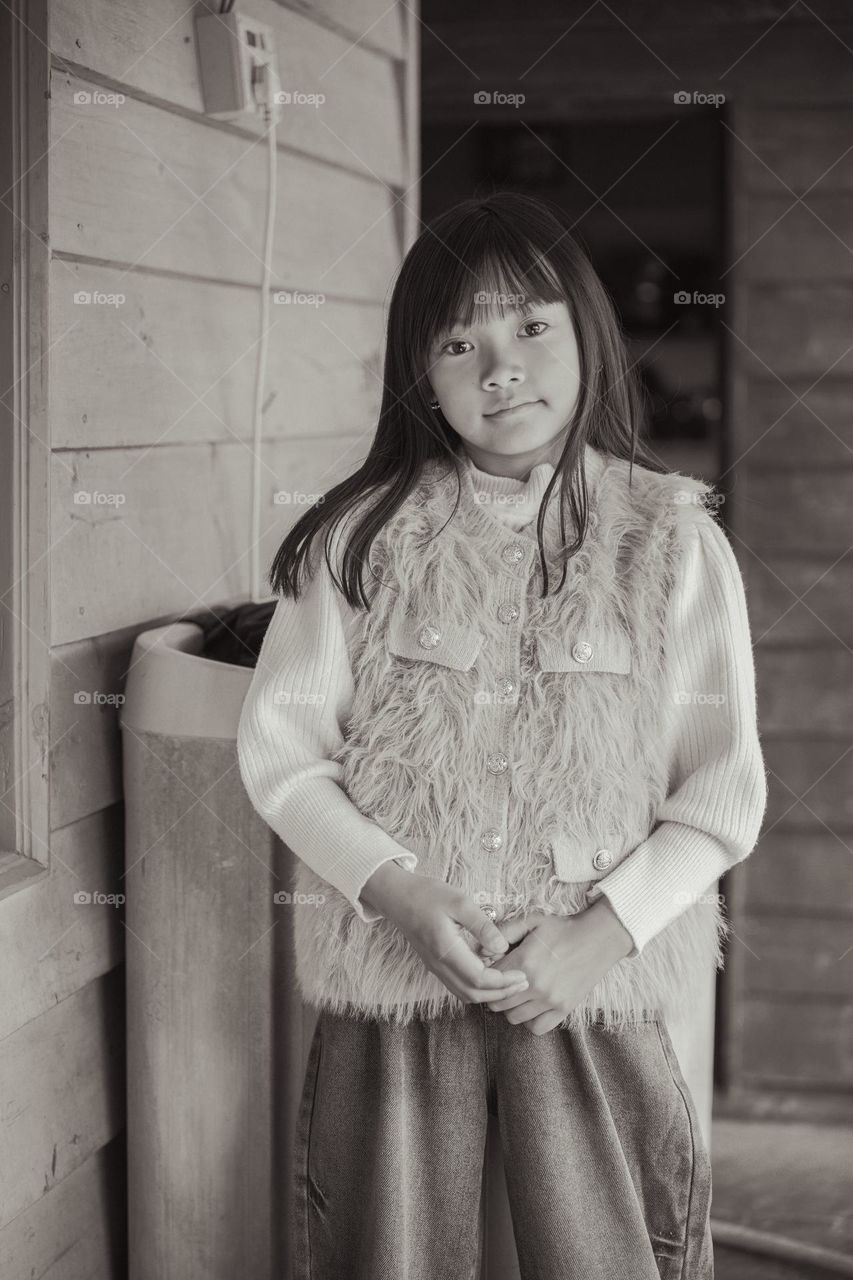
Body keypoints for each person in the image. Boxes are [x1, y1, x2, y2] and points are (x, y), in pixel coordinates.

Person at [236, 190, 767, 1280]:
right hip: (396, 977)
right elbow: (283, 757)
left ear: (586, 330)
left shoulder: (672, 545)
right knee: (385, 1254)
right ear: (419, 375)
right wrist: (398, 893)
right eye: (457, 342)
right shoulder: (359, 541)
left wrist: (595, 936)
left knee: (610, 1252)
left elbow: (721, 793)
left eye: (530, 326)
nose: (500, 366)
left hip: (589, 988)